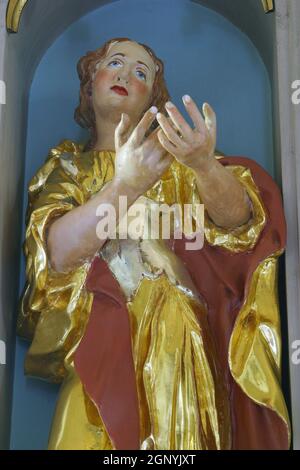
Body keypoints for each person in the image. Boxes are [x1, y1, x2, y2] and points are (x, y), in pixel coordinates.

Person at [17, 37, 290, 450]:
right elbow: (55, 252)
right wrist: (125, 186)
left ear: (152, 100)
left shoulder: (178, 165)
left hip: (176, 343)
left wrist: (202, 165)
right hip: (99, 347)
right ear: (90, 85)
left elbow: (242, 227)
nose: (127, 74)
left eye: (141, 73)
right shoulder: (70, 167)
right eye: (116, 63)